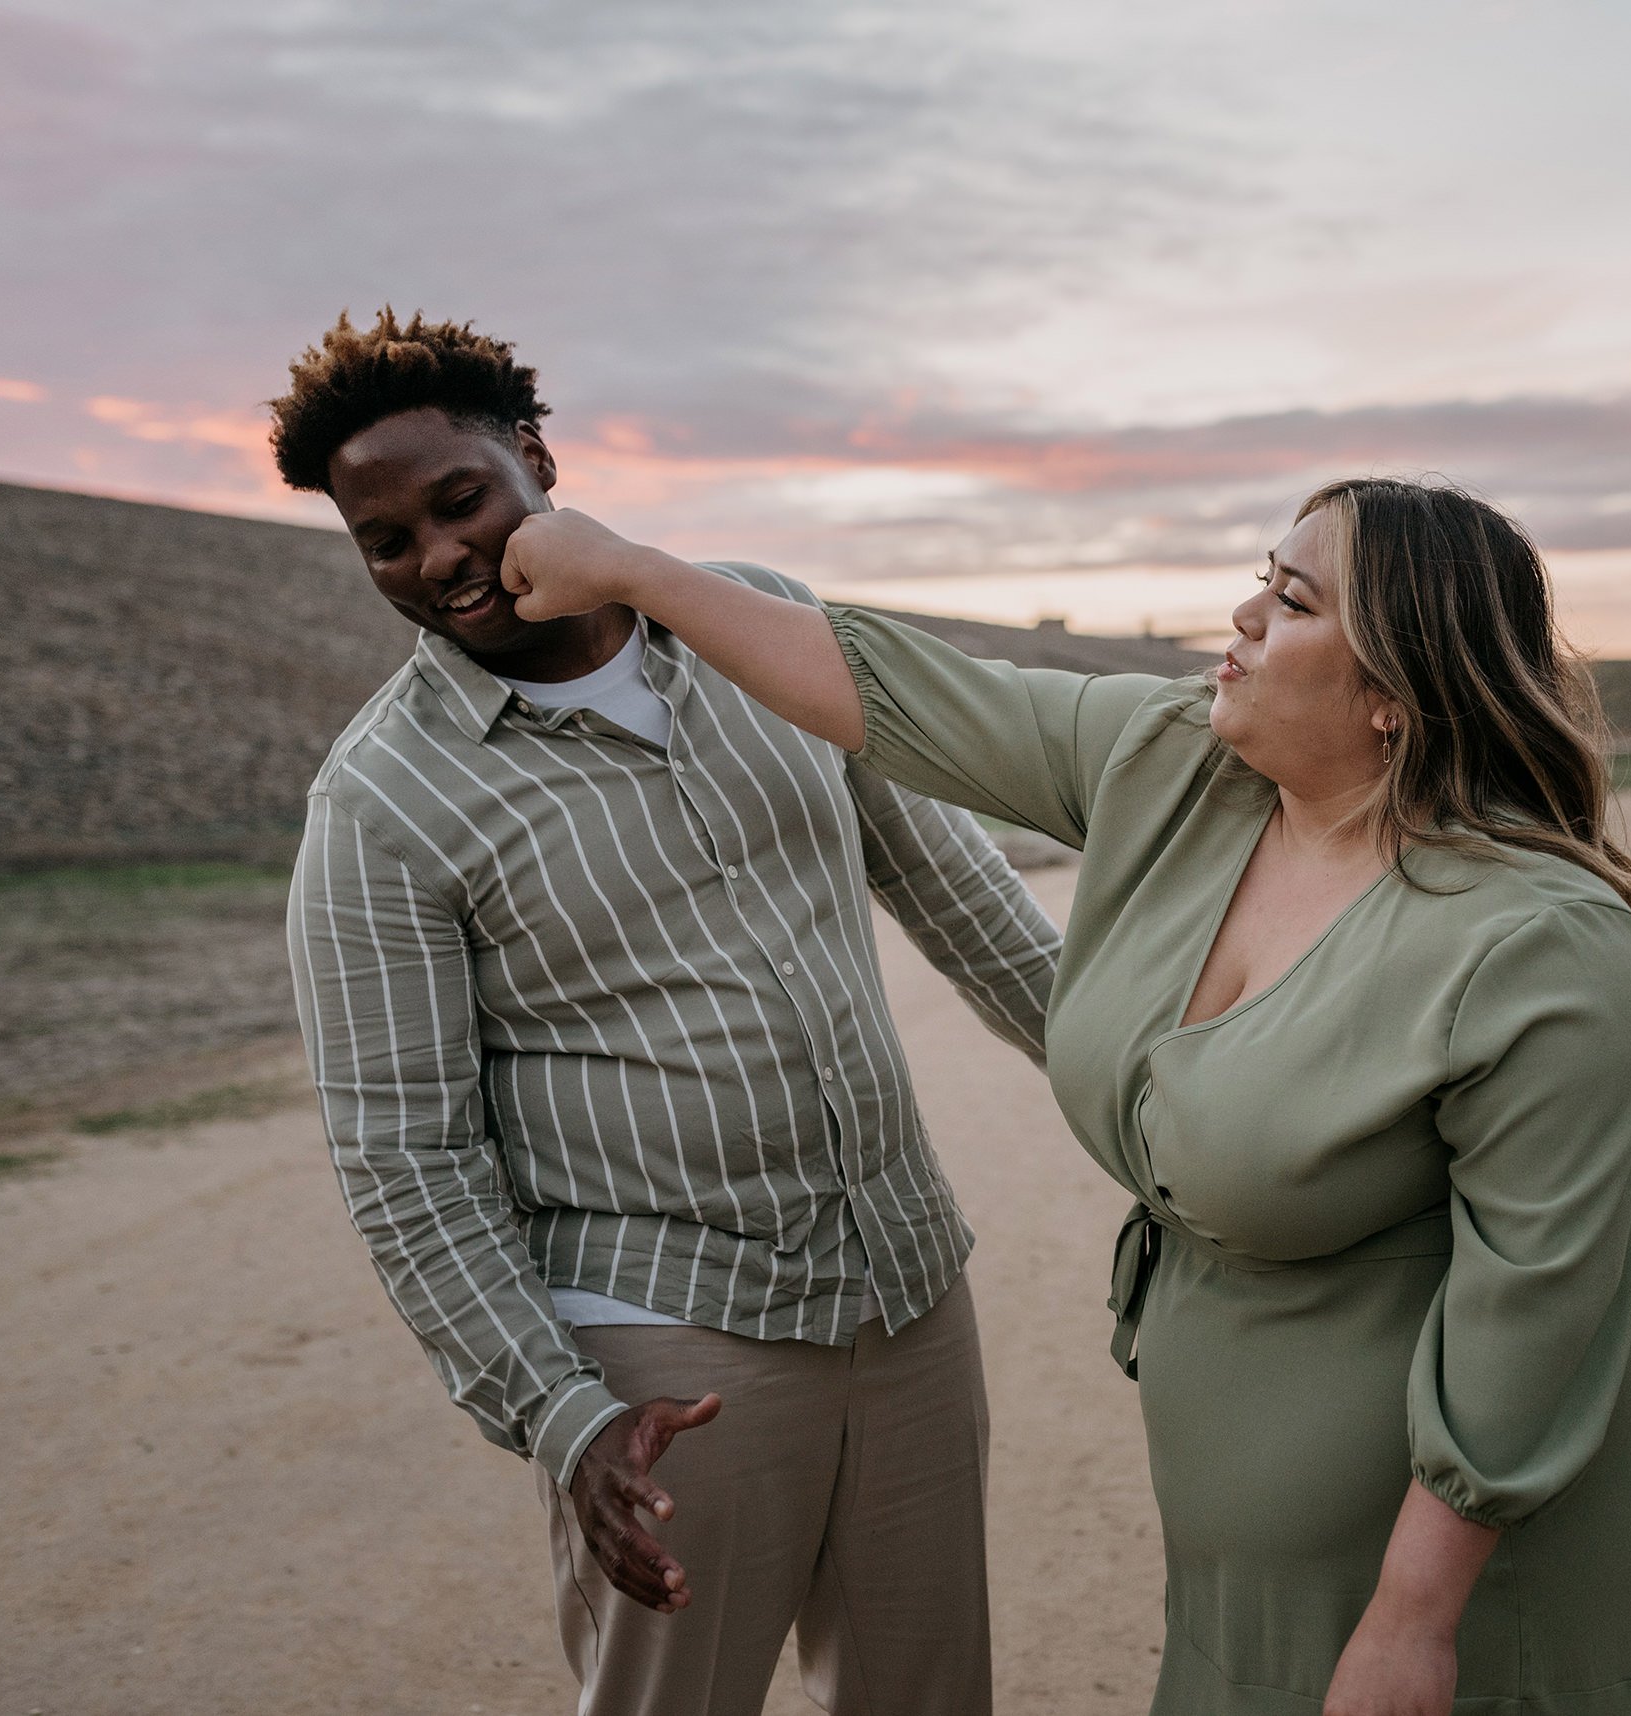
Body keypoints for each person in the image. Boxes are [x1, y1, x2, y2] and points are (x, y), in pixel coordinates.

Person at [497, 477, 1631, 1716]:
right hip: (1248, 1548)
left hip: (1472, 1566)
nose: (1238, 618)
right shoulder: (1178, 765)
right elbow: (891, 690)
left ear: (1393, 692)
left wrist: (1412, 1619)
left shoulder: (1536, 939)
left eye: (1290, 601)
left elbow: (1540, 1299)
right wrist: (632, 569)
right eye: (1261, 576)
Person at [270, 311, 1061, 1716]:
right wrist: (564, 1417)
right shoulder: (381, 808)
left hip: (907, 1286)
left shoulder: (752, 616)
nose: (438, 557)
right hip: (665, 1353)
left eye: (460, 501)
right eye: (385, 541)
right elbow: (408, 1164)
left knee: (932, 1695)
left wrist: (1166, 1106)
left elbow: (959, 897)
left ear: (534, 455)